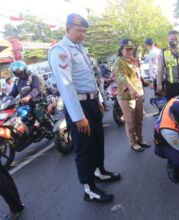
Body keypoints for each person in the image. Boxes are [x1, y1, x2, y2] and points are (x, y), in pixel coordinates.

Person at [48, 13, 120, 203]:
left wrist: (100, 98)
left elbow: (90, 77)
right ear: (67, 29)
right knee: (85, 148)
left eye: (84, 31)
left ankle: (100, 171)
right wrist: (78, 116)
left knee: (98, 141)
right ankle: (89, 189)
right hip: (79, 106)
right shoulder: (61, 51)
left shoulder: (80, 49)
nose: (82, 34)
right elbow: (67, 85)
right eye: (79, 30)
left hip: (91, 102)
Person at [112, 38, 151, 152]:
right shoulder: (119, 62)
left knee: (139, 119)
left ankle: (140, 139)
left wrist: (145, 82)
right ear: (122, 49)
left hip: (138, 93)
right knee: (130, 121)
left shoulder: (134, 60)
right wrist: (132, 89)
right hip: (126, 96)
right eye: (127, 49)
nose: (129, 51)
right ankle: (133, 142)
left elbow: (138, 75)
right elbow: (123, 78)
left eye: (131, 49)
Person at [156, 30, 179, 100]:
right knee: (172, 107)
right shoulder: (163, 52)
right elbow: (159, 70)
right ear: (168, 39)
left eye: (176, 39)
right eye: (172, 39)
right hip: (171, 86)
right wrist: (159, 85)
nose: (174, 41)